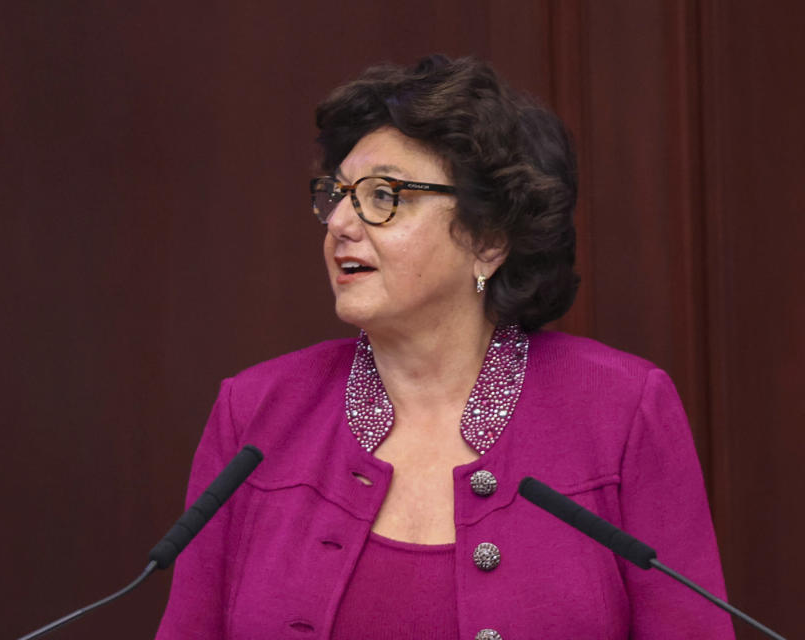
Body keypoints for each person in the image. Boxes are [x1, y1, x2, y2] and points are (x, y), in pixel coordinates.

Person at [154, 55, 733, 639]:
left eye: (383, 195)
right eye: (337, 194)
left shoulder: (621, 409)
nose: (339, 223)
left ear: (489, 240)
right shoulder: (255, 412)